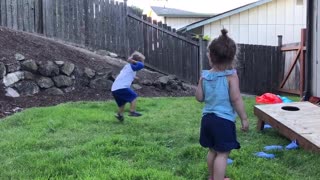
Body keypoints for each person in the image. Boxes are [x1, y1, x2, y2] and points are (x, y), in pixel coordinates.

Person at [195, 29, 249, 180]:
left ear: (210, 56)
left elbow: (199, 98)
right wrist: (244, 118)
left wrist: (200, 83)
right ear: (232, 58)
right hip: (223, 121)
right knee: (223, 154)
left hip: (207, 120)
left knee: (212, 150)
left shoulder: (204, 76)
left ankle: (212, 177)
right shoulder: (231, 77)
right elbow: (236, 99)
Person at [111, 51, 145, 121]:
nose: (142, 63)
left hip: (114, 88)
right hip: (121, 87)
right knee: (134, 96)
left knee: (122, 102)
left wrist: (134, 77)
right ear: (136, 61)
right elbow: (141, 65)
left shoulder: (127, 66)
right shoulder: (132, 66)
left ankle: (119, 115)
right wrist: (132, 61)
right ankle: (132, 111)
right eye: (142, 61)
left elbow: (126, 74)